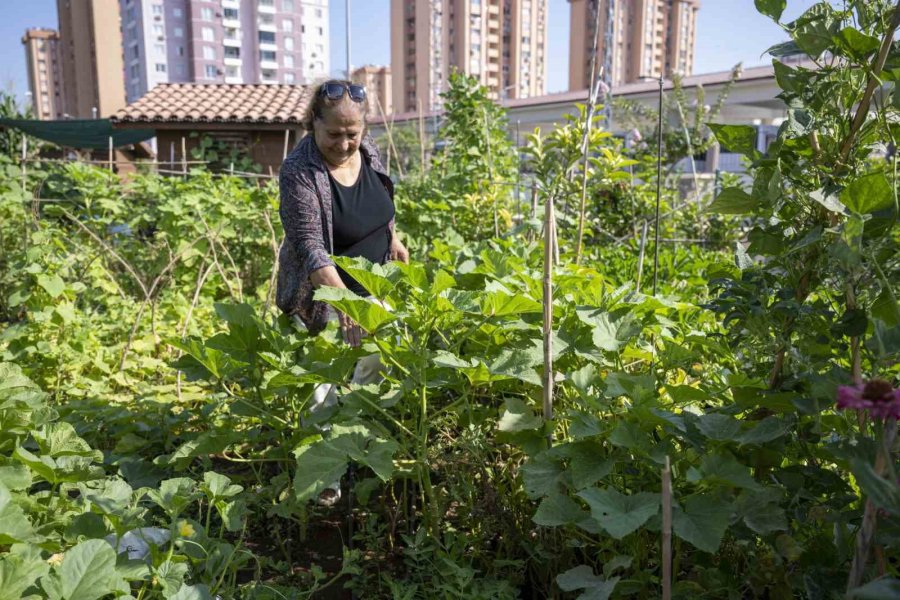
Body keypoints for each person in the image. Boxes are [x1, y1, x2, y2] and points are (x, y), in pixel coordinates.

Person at [276, 79, 409, 505]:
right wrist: (345, 304)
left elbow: (380, 195)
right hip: (324, 298)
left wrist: (393, 237)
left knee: (369, 374)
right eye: (334, 133)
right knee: (324, 390)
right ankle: (324, 479)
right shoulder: (300, 171)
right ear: (313, 122)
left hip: (373, 287)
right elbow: (311, 246)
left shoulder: (366, 150)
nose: (345, 143)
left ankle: (357, 454)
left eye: (353, 133)